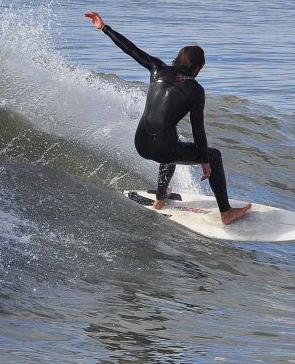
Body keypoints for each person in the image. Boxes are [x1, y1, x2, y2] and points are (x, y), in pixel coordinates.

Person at [84, 11, 251, 225]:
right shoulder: (195, 91)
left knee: (171, 141)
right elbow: (198, 130)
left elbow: (131, 50)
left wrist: (104, 28)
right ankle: (226, 212)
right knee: (212, 155)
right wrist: (205, 161)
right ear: (198, 67)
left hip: (141, 143)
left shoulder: (157, 68)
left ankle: (161, 198)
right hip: (163, 149)